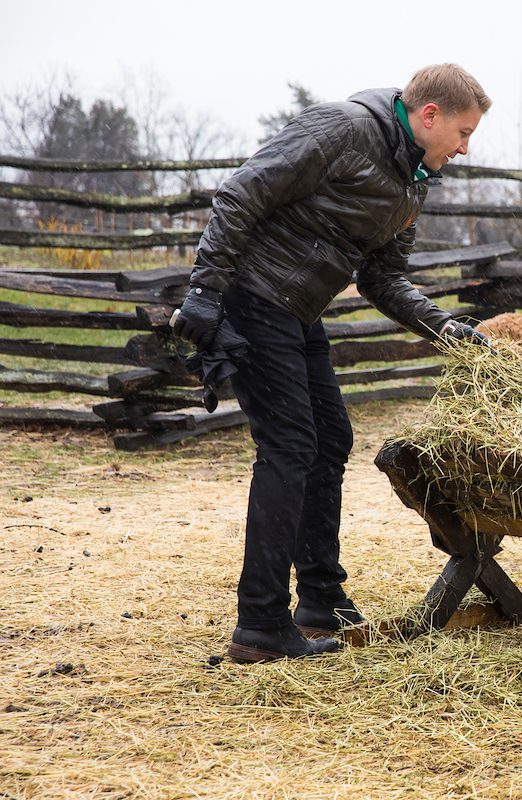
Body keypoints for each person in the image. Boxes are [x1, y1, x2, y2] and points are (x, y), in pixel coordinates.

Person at [172, 64, 493, 663]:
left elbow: (383, 277)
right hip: (252, 295)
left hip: (298, 309)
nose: (466, 147)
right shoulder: (344, 129)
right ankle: (260, 624)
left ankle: (320, 598)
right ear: (430, 116)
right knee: (291, 445)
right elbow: (243, 192)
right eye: (464, 132)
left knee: (330, 438)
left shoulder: (412, 180)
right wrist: (205, 292)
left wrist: (446, 329)